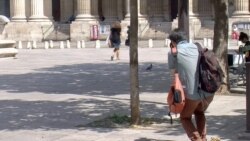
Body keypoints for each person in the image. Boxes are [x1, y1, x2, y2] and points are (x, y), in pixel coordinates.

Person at [168, 29, 214, 141]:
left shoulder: (174, 52)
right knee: (199, 112)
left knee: (185, 117)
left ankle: (197, 139)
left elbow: (173, 74)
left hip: (192, 94)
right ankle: (203, 138)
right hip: (208, 90)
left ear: (173, 42)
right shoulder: (198, 47)